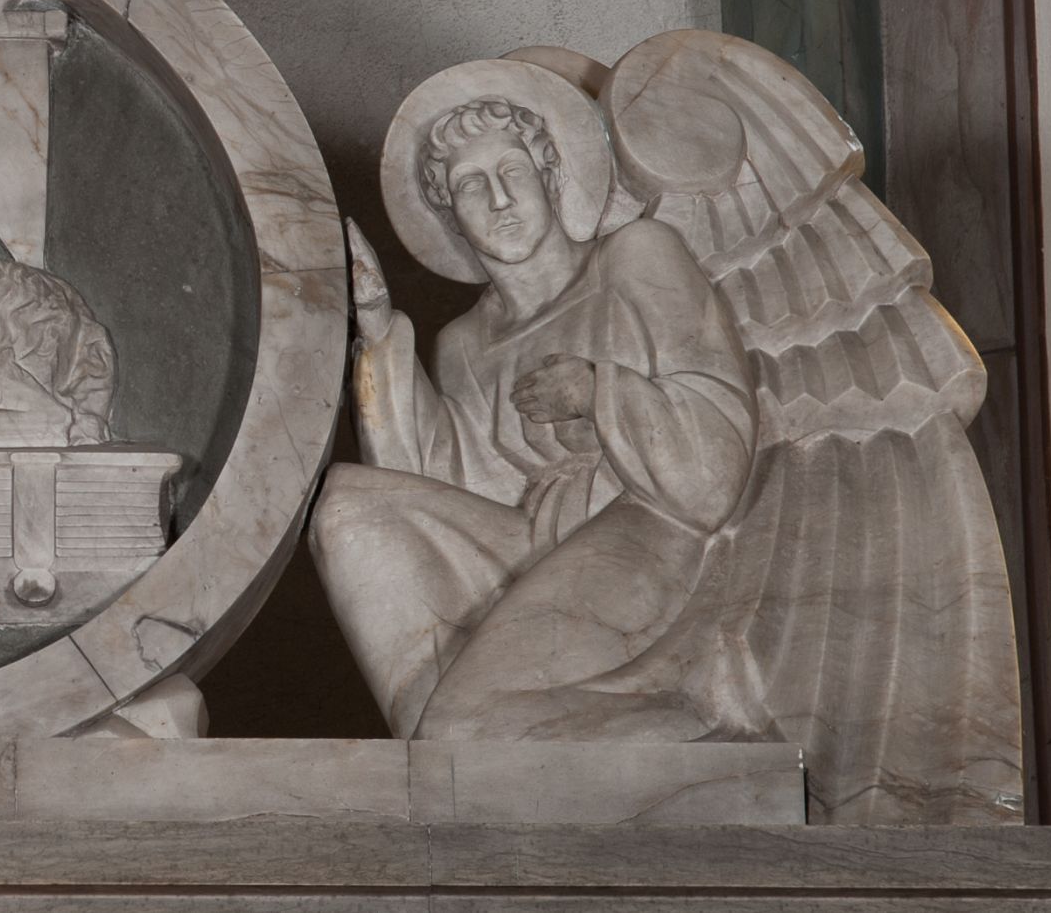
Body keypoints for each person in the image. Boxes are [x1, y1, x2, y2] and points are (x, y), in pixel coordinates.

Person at [314, 77, 754, 740]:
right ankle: (434, 763)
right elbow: (442, 485)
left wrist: (597, 389)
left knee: (462, 727)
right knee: (345, 509)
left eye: (512, 170)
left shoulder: (634, 257)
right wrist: (376, 328)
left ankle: (682, 727)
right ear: (449, 215)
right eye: (470, 185)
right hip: (528, 539)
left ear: (551, 176)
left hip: (645, 525)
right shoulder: (464, 342)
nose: (498, 199)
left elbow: (717, 459)